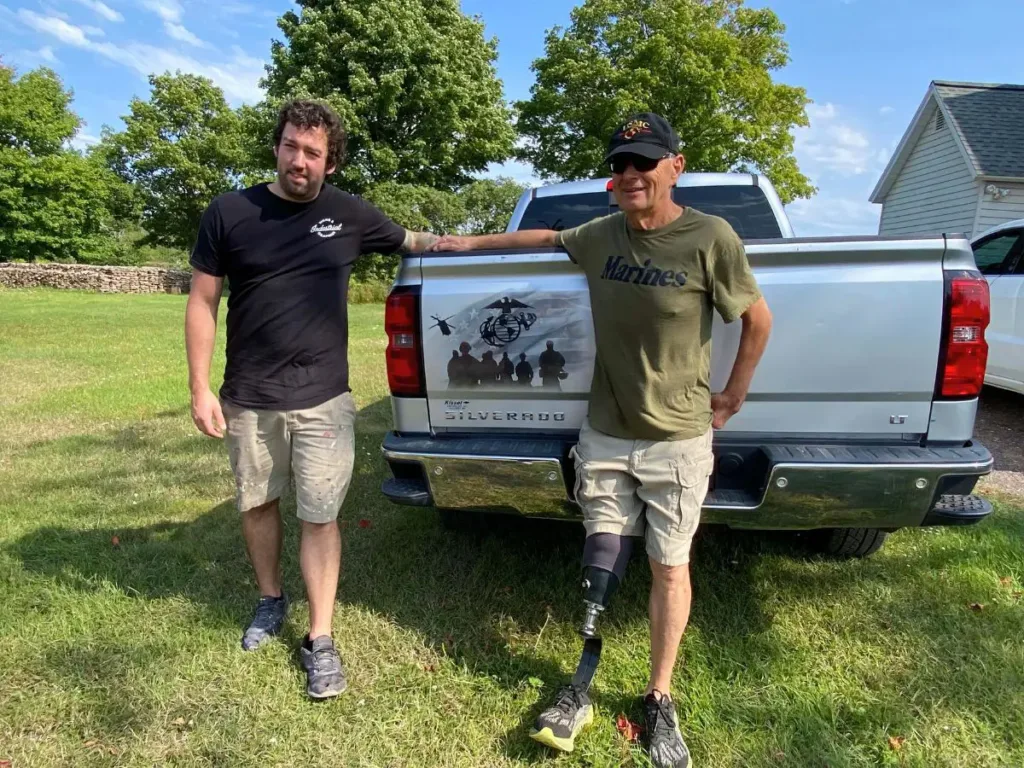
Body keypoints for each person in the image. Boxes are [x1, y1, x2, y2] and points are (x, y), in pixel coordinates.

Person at [430, 112, 772, 768]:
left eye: (644, 162)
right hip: (606, 435)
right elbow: (540, 238)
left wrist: (733, 394)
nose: (630, 175)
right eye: (619, 164)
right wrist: (459, 245)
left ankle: (660, 696)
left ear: (676, 164)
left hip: (678, 439)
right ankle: (581, 678)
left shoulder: (711, 237)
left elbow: (756, 320)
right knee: (600, 557)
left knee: (670, 566)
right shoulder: (601, 236)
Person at [185, 99, 440, 700]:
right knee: (258, 503)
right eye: (292, 146)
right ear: (277, 146)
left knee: (320, 515)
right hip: (248, 396)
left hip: (324, 397)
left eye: (314, 152)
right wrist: (199, 386)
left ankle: (319, 638)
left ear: (331, 162)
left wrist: (528, 242)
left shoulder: (348, 215)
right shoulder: (229, 212)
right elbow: (202, 300)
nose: (301, 160)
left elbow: (429, 242)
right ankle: (271, 598)